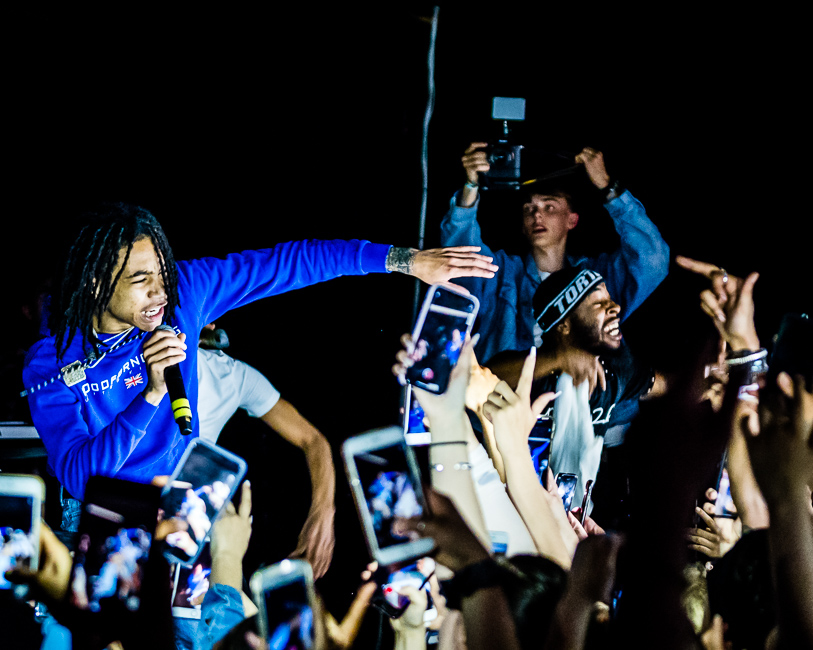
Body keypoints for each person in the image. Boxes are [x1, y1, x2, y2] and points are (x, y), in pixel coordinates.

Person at [22, 202, 499, 509]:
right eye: (140, 280)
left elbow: (294, 261)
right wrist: (150, 395)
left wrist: (405, 261)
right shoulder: (51, 363)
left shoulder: (185, 292)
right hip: (109, 515)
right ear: (96, 283)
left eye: (162, 272)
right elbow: (79, 475)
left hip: (183, 506)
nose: (161, 292)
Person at [441, 144, 670, 364]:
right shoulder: (505, 275)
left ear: (572, 220)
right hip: (509, 397)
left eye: (549, 207)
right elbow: (461, 258)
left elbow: (653, 259)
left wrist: (607, 186)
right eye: (529, 209)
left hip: (587, 400)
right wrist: (470, 185)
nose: (537, 216)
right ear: (522, 225)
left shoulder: (595, 278)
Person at [485, 267, 658, 505]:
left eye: (609, 300)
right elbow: (483, 377)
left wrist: (717, 380)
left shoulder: (615, 371)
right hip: (509, 509)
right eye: (599, 303)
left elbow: (668, 386)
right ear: (564, 325)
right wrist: (560, 359)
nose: (616, 308)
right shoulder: (533, 373)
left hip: (575, 519)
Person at [196, 323, 335, 579]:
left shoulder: (232, 376)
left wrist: (323, 512)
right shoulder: (137, 352)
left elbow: (314, 441)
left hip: (184, 519)